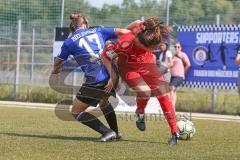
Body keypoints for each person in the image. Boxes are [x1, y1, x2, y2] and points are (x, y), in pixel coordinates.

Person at [51, 13, 130, 142]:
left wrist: (55, 70)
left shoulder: (69, 41)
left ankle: (107, 132)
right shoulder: (97, 30)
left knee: (76, 112)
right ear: (84, 25)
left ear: (74, 27)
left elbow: (58, 63)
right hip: (111, 75)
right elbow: (123, 31)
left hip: (95, 79)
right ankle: (115, 133)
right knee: (104, 101)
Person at [102, 17, 179, 145]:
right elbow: (104, 55)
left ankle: (174, 133)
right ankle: (140, 112)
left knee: (164, 95)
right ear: (143, 44)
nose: (154, 50)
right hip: (128, 69)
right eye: (151, 49)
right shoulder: (124, 44)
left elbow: (139, 22)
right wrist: (113, 76)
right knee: (146, 92)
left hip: (148, 66)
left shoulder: (148, 32)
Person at [170, 42, 191, 109]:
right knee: (173, 91)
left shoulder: (182, 55)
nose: (176, 48)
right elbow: (171, 65)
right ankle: (172, 106)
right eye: (175, 47)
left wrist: (183, 72)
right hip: (172, 76)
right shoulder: (173, 55)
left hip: (179, 76)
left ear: (180, 48)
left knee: (172, 88)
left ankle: (172, 106)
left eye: (178, 47)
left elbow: (188, 64)